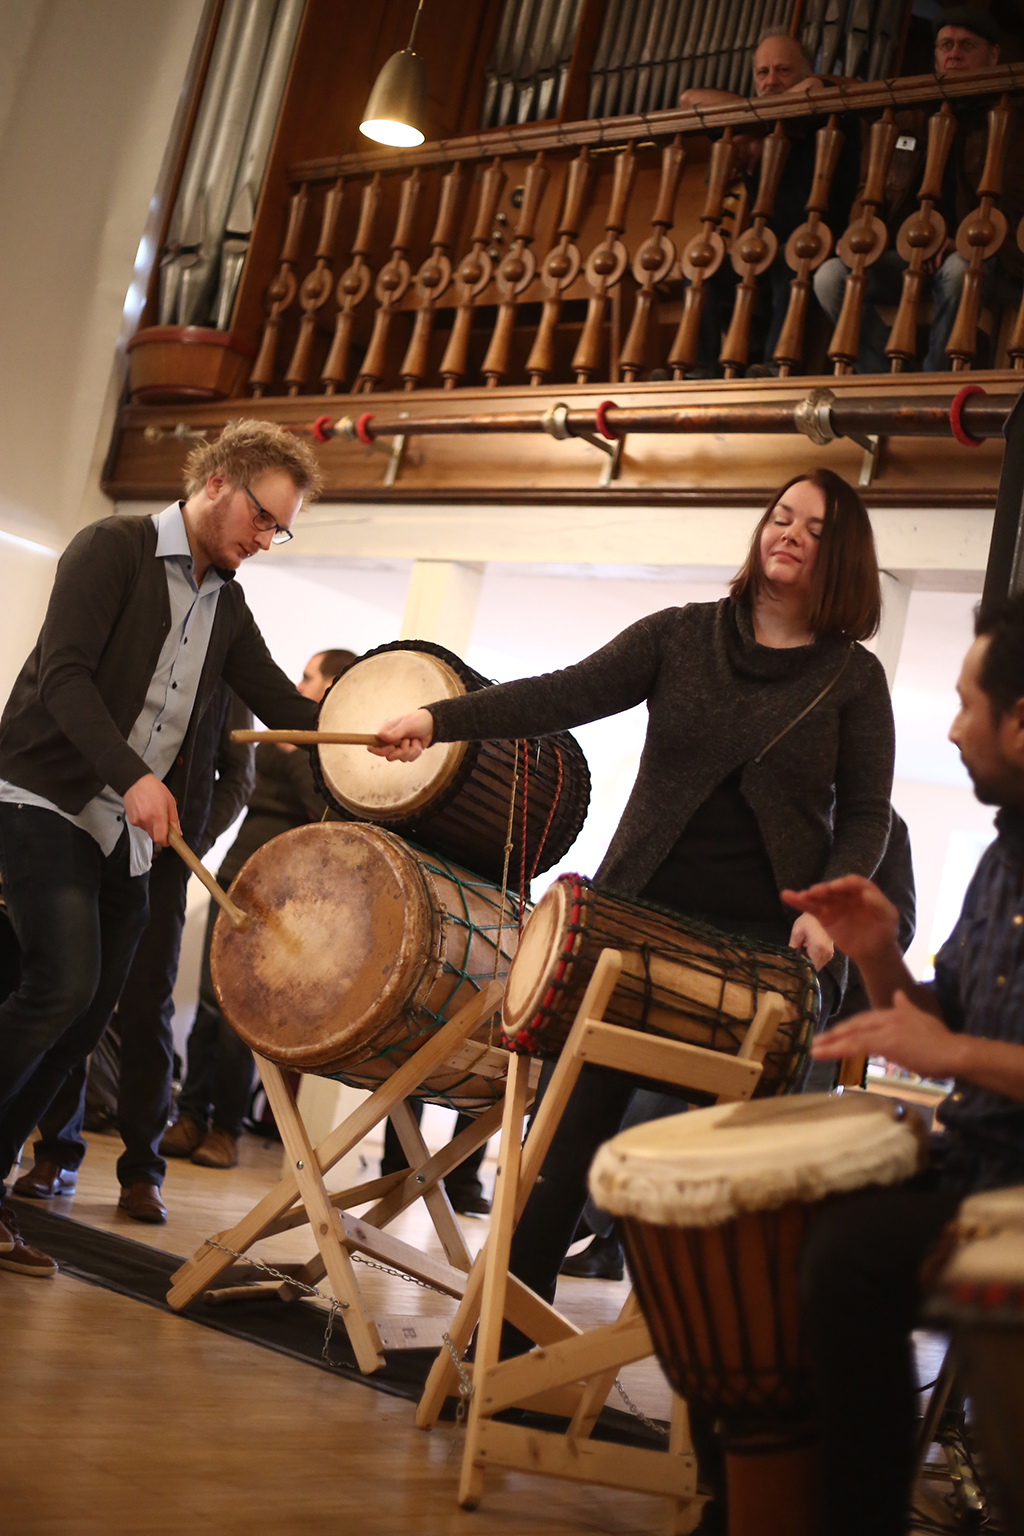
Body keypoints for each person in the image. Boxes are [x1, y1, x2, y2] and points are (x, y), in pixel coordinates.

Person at [373, 467, 895, 1353]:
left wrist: (830, 909)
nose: (789, 532)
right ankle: (503, 1352)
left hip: (763, 954)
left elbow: (869, 813)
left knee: (698, 1179)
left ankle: (690, 1374)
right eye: (779, 515)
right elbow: (560, 694)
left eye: (813, 526)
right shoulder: (682, 636)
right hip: (634, 929)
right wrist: (439, 717)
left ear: (841, 557)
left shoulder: (854, 679)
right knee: (568, 1145)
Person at [0, 418, 323, 1277]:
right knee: (59, 986)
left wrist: (376, 737)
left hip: (124, 833)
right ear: (218, 481)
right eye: (263, 518)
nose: (265, 539)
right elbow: (62, 677)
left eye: (278, 529)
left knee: (85, 1021)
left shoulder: (229, 604)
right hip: (41, 794)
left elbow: (278, 700)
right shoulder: (109, 548)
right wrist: (136, 776)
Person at [786, 591, 1024, 1536]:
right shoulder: (1006, 856)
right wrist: (880, 953)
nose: (954, 727)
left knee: (849, 1258)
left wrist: (954, 1052)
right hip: (971, 1168)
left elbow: (952, 1046)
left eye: (969, 703)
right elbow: (938, 1022)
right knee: (791, 1224)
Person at [11, 686, 254, 1222]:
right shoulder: (133, 638)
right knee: (74, 997)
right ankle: (55, 1152)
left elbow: (239, 776)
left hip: (166, 857)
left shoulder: (227, 668)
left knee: (148, 1008)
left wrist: (187, 836)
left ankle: (143, 1168)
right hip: (89, 839)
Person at [161, 648, 355, 1171]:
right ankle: (189, 1116)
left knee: (239, 1018)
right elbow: (239, 779)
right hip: (237, 876)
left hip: (285, 896)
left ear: (332, 684)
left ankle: (225, 1128)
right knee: (206, 1000)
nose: (299, 682)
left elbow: (326, 815)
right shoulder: (278, 730)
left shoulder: (332, 751)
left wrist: (296, 753)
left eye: (309, 676)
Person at [814, 9, 1022, 373]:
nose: (953, 54)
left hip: (980, 257)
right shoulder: (906, 114)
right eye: (945, 45)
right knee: (828, 278)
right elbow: (869, 190)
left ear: (993, 56)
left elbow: (1014, 203)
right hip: (904, 253)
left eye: (966, 46)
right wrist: (860, 234)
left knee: (959, 271)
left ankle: (933, 384)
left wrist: (965, 241)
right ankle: (882, 383)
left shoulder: (1012, 120)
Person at [679, 28, 859, 375]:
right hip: (764, 248)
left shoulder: (823, 102)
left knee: (788, 262)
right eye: (763, 72)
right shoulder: (753, 121)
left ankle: (775, 369)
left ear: (805, 72)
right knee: (701, 264)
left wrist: (755, 124)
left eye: (783, 70)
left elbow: (809, 93)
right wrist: (760, 124)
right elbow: (689, 99)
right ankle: (699, 369)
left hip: (818, 245)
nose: (772, 79)